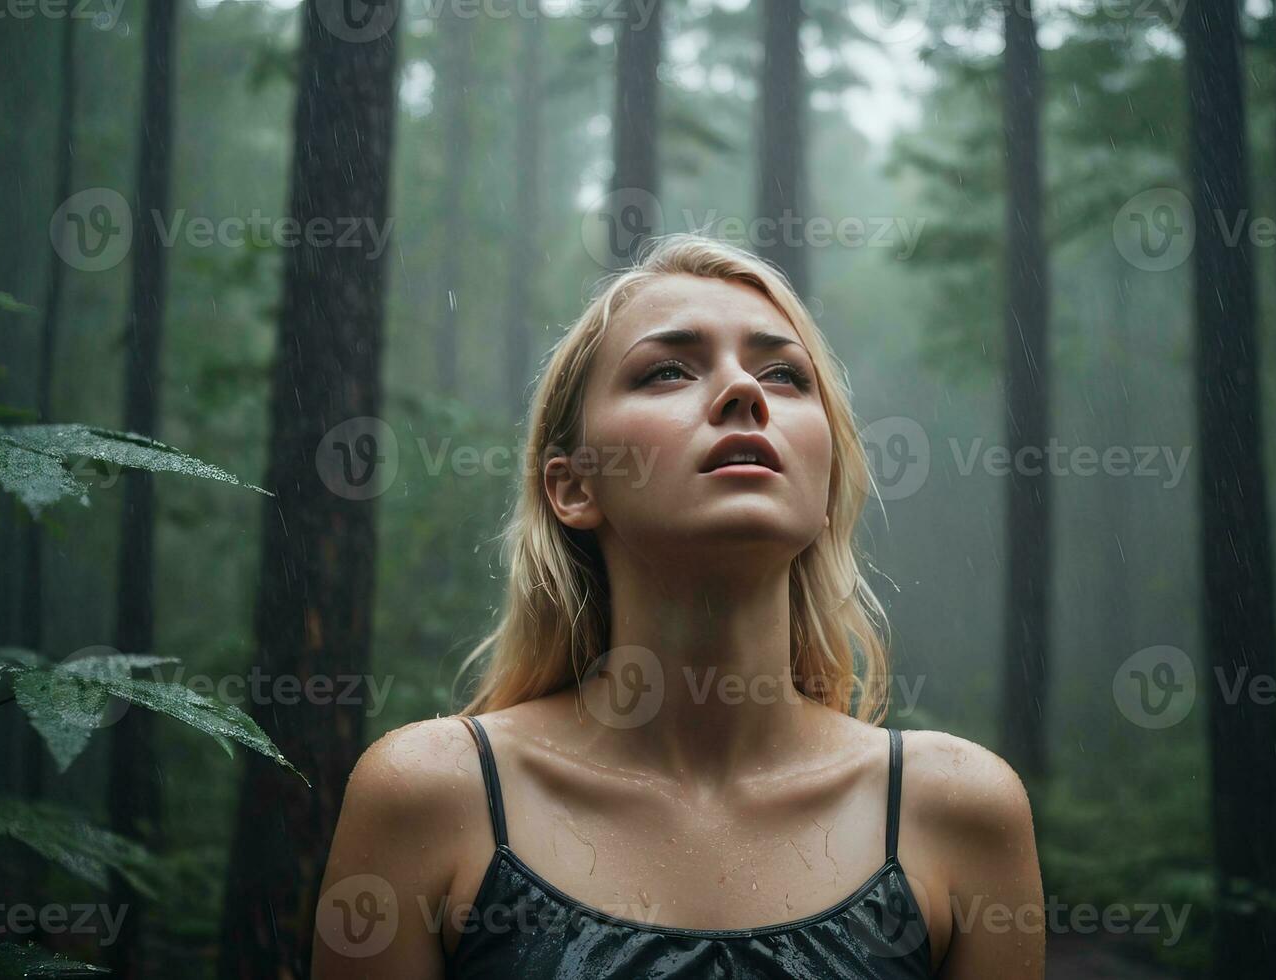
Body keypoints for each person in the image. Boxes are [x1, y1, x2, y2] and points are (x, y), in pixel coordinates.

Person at [312, 233, 1044, 978]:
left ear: (826, 492)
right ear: (573, 486)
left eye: (785, 375)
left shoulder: (958, 812)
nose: (744, 391)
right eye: (666, 370)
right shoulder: (430, 797)